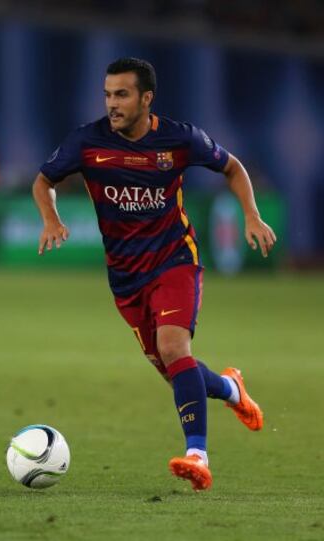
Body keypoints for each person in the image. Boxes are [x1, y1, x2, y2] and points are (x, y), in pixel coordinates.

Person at [33, 57, 276, 491]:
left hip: (173, 259)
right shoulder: (87, 142)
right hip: (126, 277)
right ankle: (230, 388)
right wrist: (50, 217)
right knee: (173, 368)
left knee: (172, 346)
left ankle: (197, 455)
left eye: (122, 94)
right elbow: (43, 180)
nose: (112, 104)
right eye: (108, 94)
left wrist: (252, 216)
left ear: (146, 98)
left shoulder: (179, 138)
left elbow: (232, 167)